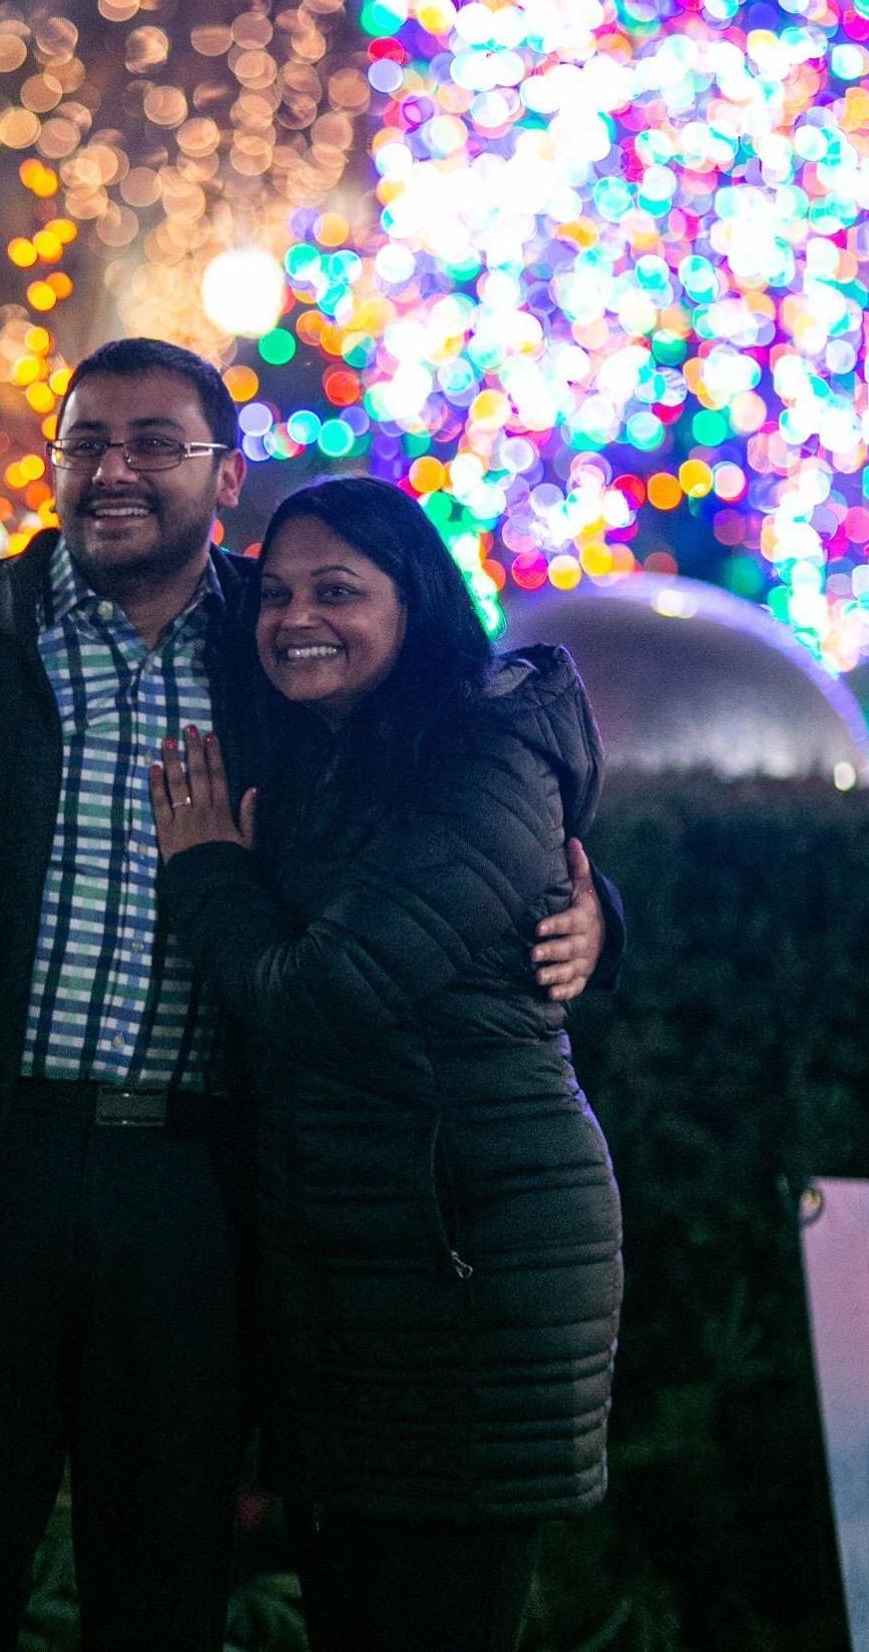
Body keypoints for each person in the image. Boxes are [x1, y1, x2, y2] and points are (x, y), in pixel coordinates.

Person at [0, 338, 622, 1652]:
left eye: (154, 443)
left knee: (164, 1583)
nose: (114, 469)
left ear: (223, 475)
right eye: (87, 442)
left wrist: (589, 913)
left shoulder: (281, 650)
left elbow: (446, 804)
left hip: (196, 1196)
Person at [150, 476, 625, 1652]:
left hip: (459, 1276)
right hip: (367, 1274)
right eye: (276, 592)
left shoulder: (475, 751)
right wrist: (601, 908)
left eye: (338, 590)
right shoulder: (335, 752)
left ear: (414, 602)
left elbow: (326, 996)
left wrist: (205, 866)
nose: (296, 615)